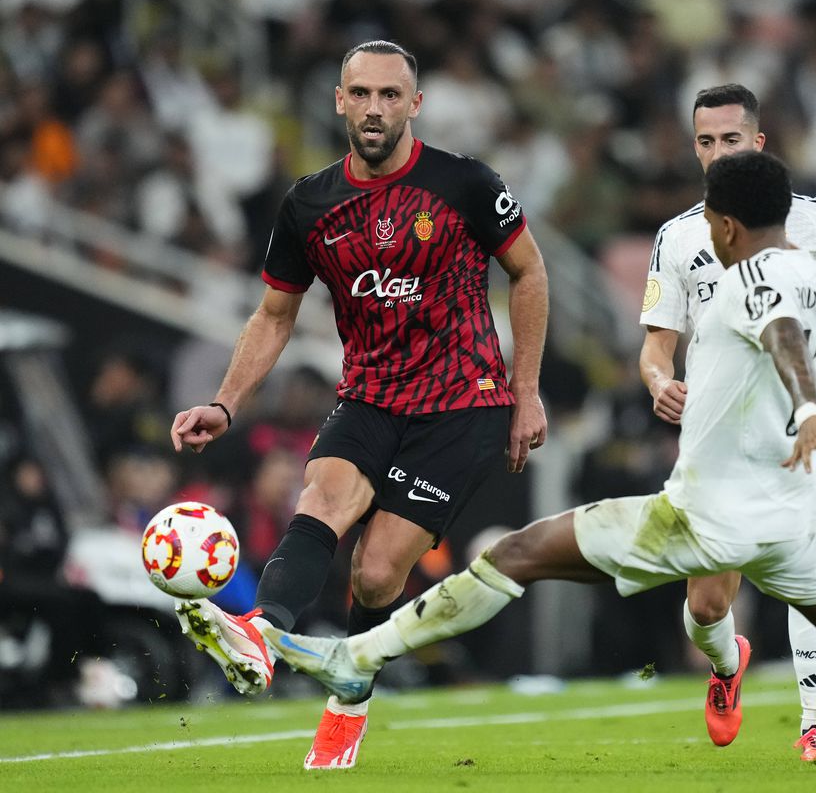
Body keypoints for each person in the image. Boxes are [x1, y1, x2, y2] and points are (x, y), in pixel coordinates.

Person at [265, 152, 816, 774]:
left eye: (711, 218)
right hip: (790, 519)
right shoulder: (812, 273)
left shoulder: (746, 280)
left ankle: (356, 655)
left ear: (728, 223)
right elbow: (792, 332)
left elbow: (779, 340)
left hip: (705, 517)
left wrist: (812, 410)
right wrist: (805, 412)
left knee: (516, 553)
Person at [169, 40, 549, 770]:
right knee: (324, 497)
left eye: (389, 94)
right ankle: (260, 633)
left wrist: (525, 390)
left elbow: (529, 272)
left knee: (376, 575)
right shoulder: (309, 203)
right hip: (371, 393)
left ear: (414, 104)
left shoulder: (465, 183)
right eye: (361, 94)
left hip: (462, 403)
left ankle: (350, 698)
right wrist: (224, 403)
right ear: (339, 101)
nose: (375, 107)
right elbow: (274, 315)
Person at [639, 83, 816, 758]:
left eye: (730, 140)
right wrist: (657, 381)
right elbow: (655, 343)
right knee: (706, 606)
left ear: (758, 143)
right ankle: (729, 665)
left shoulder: (814, 221)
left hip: (802, 426)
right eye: (705, 141)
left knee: (808, 562)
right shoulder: (678, 238)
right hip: (718, 439)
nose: (716, 153)